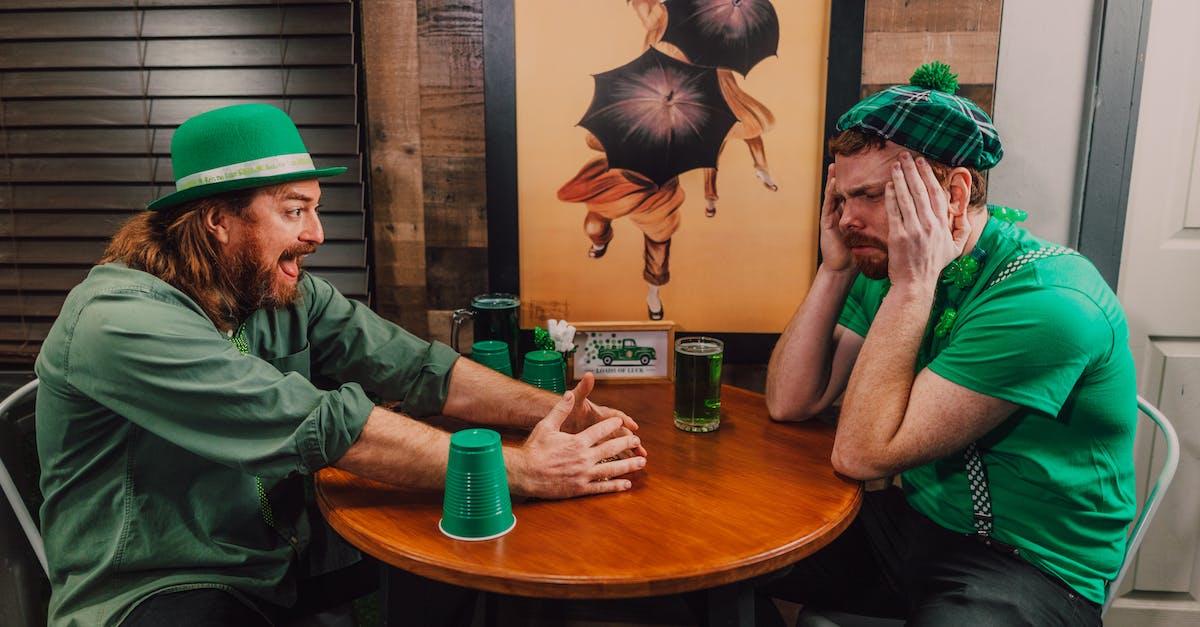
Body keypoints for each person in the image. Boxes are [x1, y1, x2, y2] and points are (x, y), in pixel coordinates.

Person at [34, 103, 648, 627]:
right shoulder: (119, 321)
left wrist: (571, 414)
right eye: (294, 210)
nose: (318, 233)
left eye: (315, 209)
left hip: (280, 557)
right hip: (160, 586)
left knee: (468, 591)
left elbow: (418, 369)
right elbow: (316, 422)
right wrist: (525, 470)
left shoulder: (276, 290)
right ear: (219, 220)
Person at [761, 63, 1136, 625]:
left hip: (1028, 561)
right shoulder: (882, 262)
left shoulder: (1048, 301)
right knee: (714, 564)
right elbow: (791, 401)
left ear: (953, 194)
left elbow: (859, 455)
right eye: (840, 197)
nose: (846, 218)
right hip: (912, 524)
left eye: (869, 196)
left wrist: (914, 286)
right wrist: (835, 268)